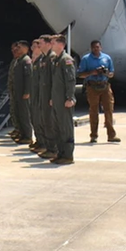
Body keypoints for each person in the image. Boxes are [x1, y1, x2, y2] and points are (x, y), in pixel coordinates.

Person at [78, 40, 120, 143]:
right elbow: (80, 74)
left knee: (109, 110)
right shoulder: (86, 59)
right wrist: (92, 72)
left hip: (105, 85)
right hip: (92, 86)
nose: (96, 49)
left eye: (97, 47)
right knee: (93, 111)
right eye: (94, 47)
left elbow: (111, 73)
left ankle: (111, 135)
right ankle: (93, 135)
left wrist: (106, 73)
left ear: (101, 47)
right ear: (91, 48)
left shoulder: (106, 58)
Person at [50, 35, 76, 164]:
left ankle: (68, 155)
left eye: (53, 43)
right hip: (57, 100)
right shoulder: (56, 60)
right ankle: (60, 153)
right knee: (57, 127)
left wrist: (70, 97)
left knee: (66, 128)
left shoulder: (66, 60)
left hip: (64, 101)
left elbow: (70, 80)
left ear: (61, 44)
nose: (51, 45)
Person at [37, 35, 58, 160]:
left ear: (48, 44)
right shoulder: (44, 58)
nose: (39, 45)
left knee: (50, 123)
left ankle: (53, 149)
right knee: (44, 121)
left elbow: (54, 80)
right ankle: (49, 147)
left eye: (41, 43)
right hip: (43, 95)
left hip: (49, 96)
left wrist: (52, 97)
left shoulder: (51, 58)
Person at [11, 41, 33, 145]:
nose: (16, 49)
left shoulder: (26, 60)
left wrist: (27, 91)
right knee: (19, 113)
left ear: (25, 49)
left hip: (23, 93)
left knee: (24, 115)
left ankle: (28, 136)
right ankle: (22, 133)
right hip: (17, 92)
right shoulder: (19, 60)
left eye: (19, 48)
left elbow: (28, 77)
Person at [29, 39, 45, 153]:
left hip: (41, 95)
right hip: (35, 94)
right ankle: (39, 140)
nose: (32, 49)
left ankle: (44, 143)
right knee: (35, 119)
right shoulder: (35, 61)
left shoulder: (42, 61)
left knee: (41, 120)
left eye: (35, 46)